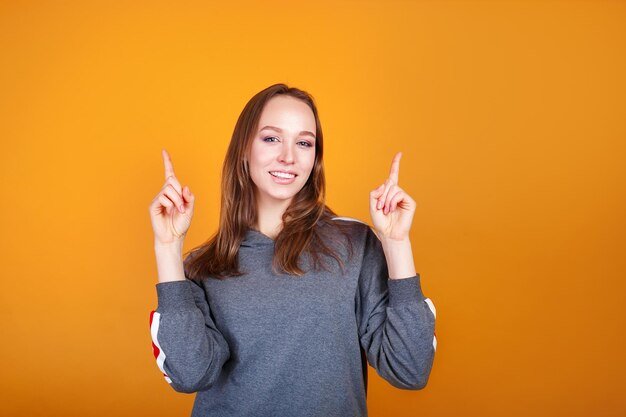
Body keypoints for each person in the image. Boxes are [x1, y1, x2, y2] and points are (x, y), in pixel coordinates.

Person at [148, 83, 437, 417]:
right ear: (244, 148)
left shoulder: (354, 244)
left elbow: (410, 370)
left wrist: (398, 244)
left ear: (315, 158)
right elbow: (189, 374)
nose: (288, 156)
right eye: (271, 138)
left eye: (304, 142)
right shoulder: (202, 266)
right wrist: (168, 248)